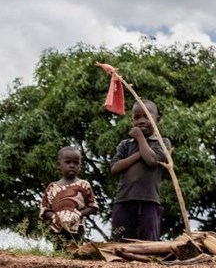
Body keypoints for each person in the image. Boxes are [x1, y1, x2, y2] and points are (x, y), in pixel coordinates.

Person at [110, 99, 171, 242]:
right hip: (124, 200)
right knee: (120, 242)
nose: (141, 121)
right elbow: (114, 168)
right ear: (132, 121)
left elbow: (151, 161)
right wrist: (138, 155)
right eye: (136, 117)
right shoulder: (125, 145)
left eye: (146, 116)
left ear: (157, 120)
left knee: (149, 243)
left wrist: (139, 137)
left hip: (149, 201)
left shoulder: (162, 142)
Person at [40, 146, 98, 249]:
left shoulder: (83, 185)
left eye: (76, 163)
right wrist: (55, 217)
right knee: (59, 251)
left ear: (80, 165)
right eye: (68, 162)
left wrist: (78, 214)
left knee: (76, 251)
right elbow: (44, 210)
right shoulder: (52, 187)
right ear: (59, 165)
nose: (72, 166)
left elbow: (93, 207)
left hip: (77, 227)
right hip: (58, 228)